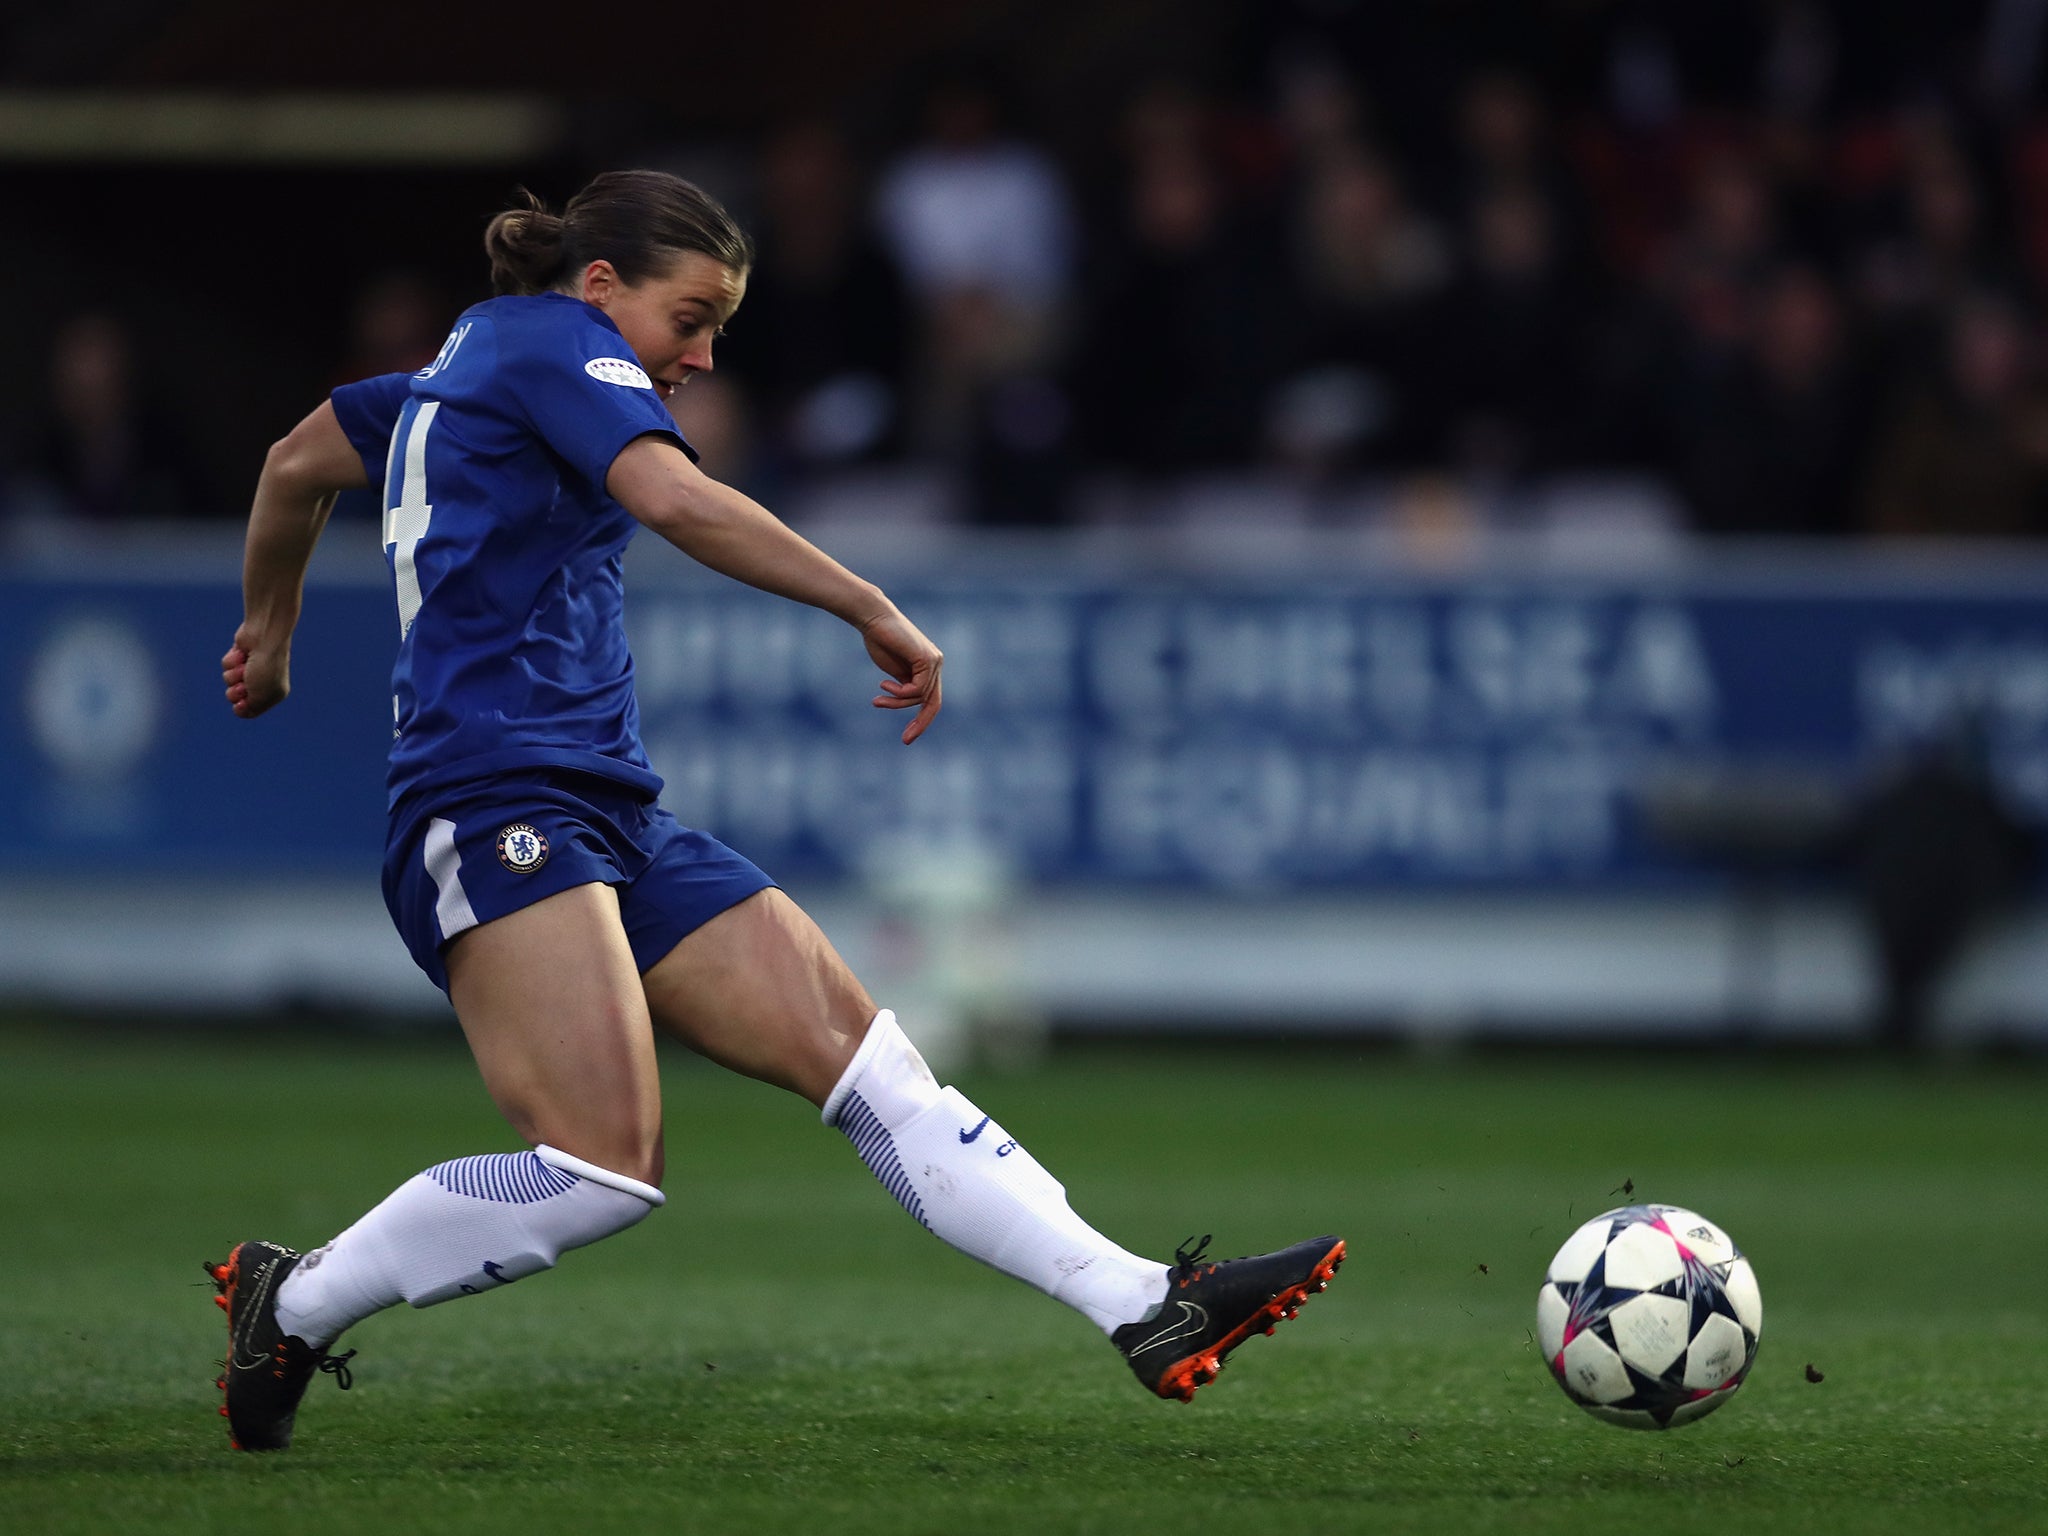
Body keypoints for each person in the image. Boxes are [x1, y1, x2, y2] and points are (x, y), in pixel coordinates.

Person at [209, 169, 1344, 1452]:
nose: (697, 357)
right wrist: (868, 603)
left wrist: (272, 628)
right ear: (598, 287)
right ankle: (290, 1300)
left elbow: (294, 462)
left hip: (603, 808)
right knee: (599, 1167)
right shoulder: (546, 340)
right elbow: (676, 499)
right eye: (688, 319)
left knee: (869, 1065)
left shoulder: (450, 375)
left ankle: (1141, 1303)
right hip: (487, 801)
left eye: (716, 332)